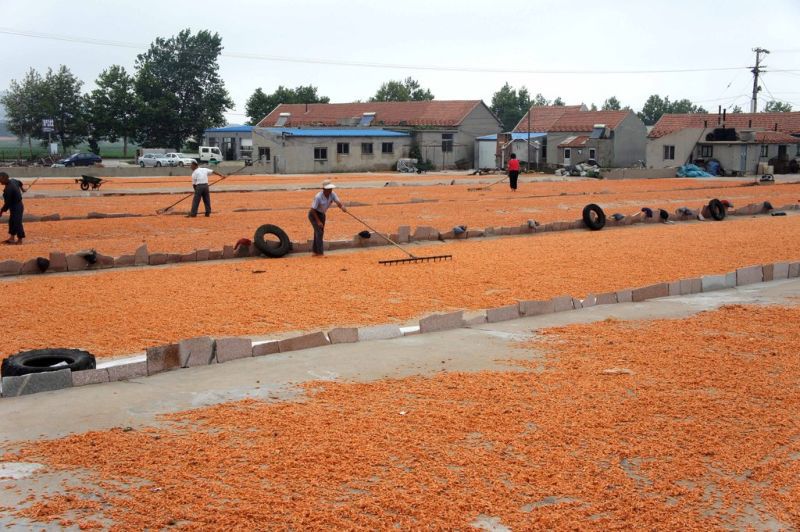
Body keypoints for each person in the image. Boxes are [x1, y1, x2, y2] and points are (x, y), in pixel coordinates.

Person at [309, 179, 346, 256]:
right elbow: (312, 210)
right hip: (314, 215)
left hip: (322, 214)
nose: (330, 190)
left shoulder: (332, 194)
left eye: (331, 189)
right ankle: (319, 253)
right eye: (328, 189)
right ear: (323, 189)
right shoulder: (318, 197)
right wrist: (318, 221)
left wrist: (342, 207)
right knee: (319, 232)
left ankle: (315, 251)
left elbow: (338, 202)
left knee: (318, 232)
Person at [0, 172, 25, 244]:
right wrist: (22, 189)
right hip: (14, 205)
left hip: (17, 206)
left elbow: (7, 203)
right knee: (11, 221)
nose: (0, 181)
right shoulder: (13, 180)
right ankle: (12, 238)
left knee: (17, 222)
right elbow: (19, 182)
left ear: (5, 178)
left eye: (0, 179)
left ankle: (20, 239)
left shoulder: (9, 189)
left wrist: (1, 211)